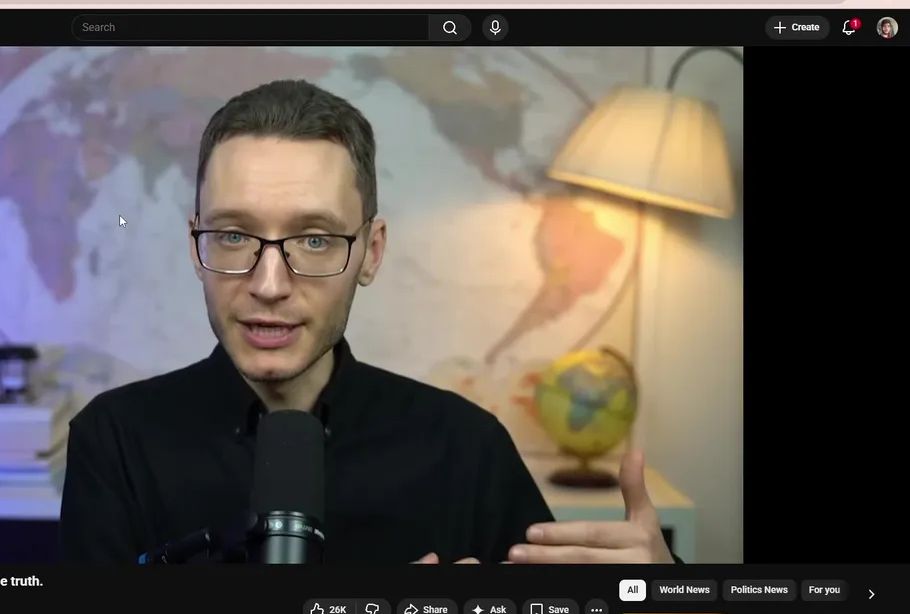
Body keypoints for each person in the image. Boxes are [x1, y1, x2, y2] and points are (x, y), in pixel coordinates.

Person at [60, 79, 675, 566]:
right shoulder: (115, 442)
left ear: (371, 253)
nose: (269, 285)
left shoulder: (465, 447)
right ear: (196, 245)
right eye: (233, 235)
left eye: (315, 240)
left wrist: (663, 605)